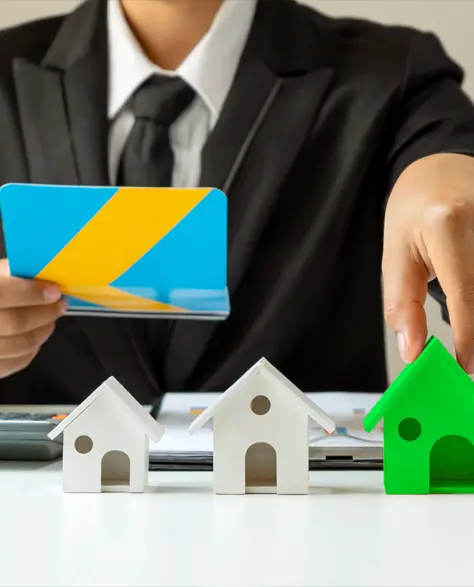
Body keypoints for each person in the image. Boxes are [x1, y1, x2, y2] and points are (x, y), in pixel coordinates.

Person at [0, 0, 473, 404]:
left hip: (300, 496)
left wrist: (445, 177)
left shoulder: (394, 76)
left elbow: (447, 162)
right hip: (45, 501)